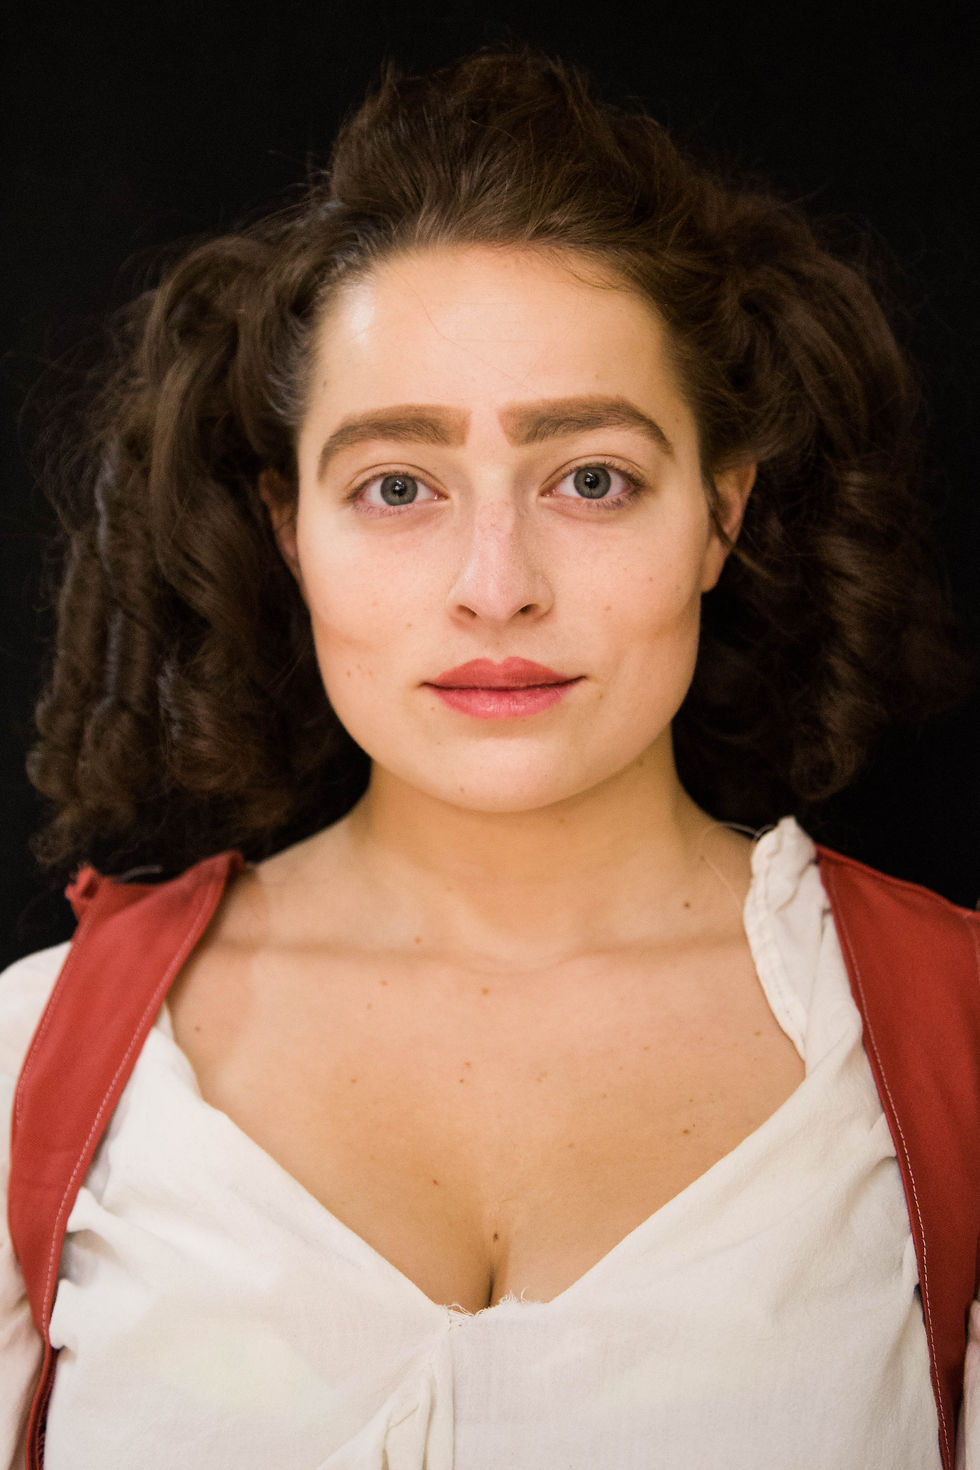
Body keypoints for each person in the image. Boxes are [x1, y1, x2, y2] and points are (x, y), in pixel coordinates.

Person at [1, 43, 976, 1470]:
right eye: (398, 484)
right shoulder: (31, 1059)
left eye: (592, 478)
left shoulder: (959, 1046)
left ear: (721, 511)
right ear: (287, 529)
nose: (496, 586)